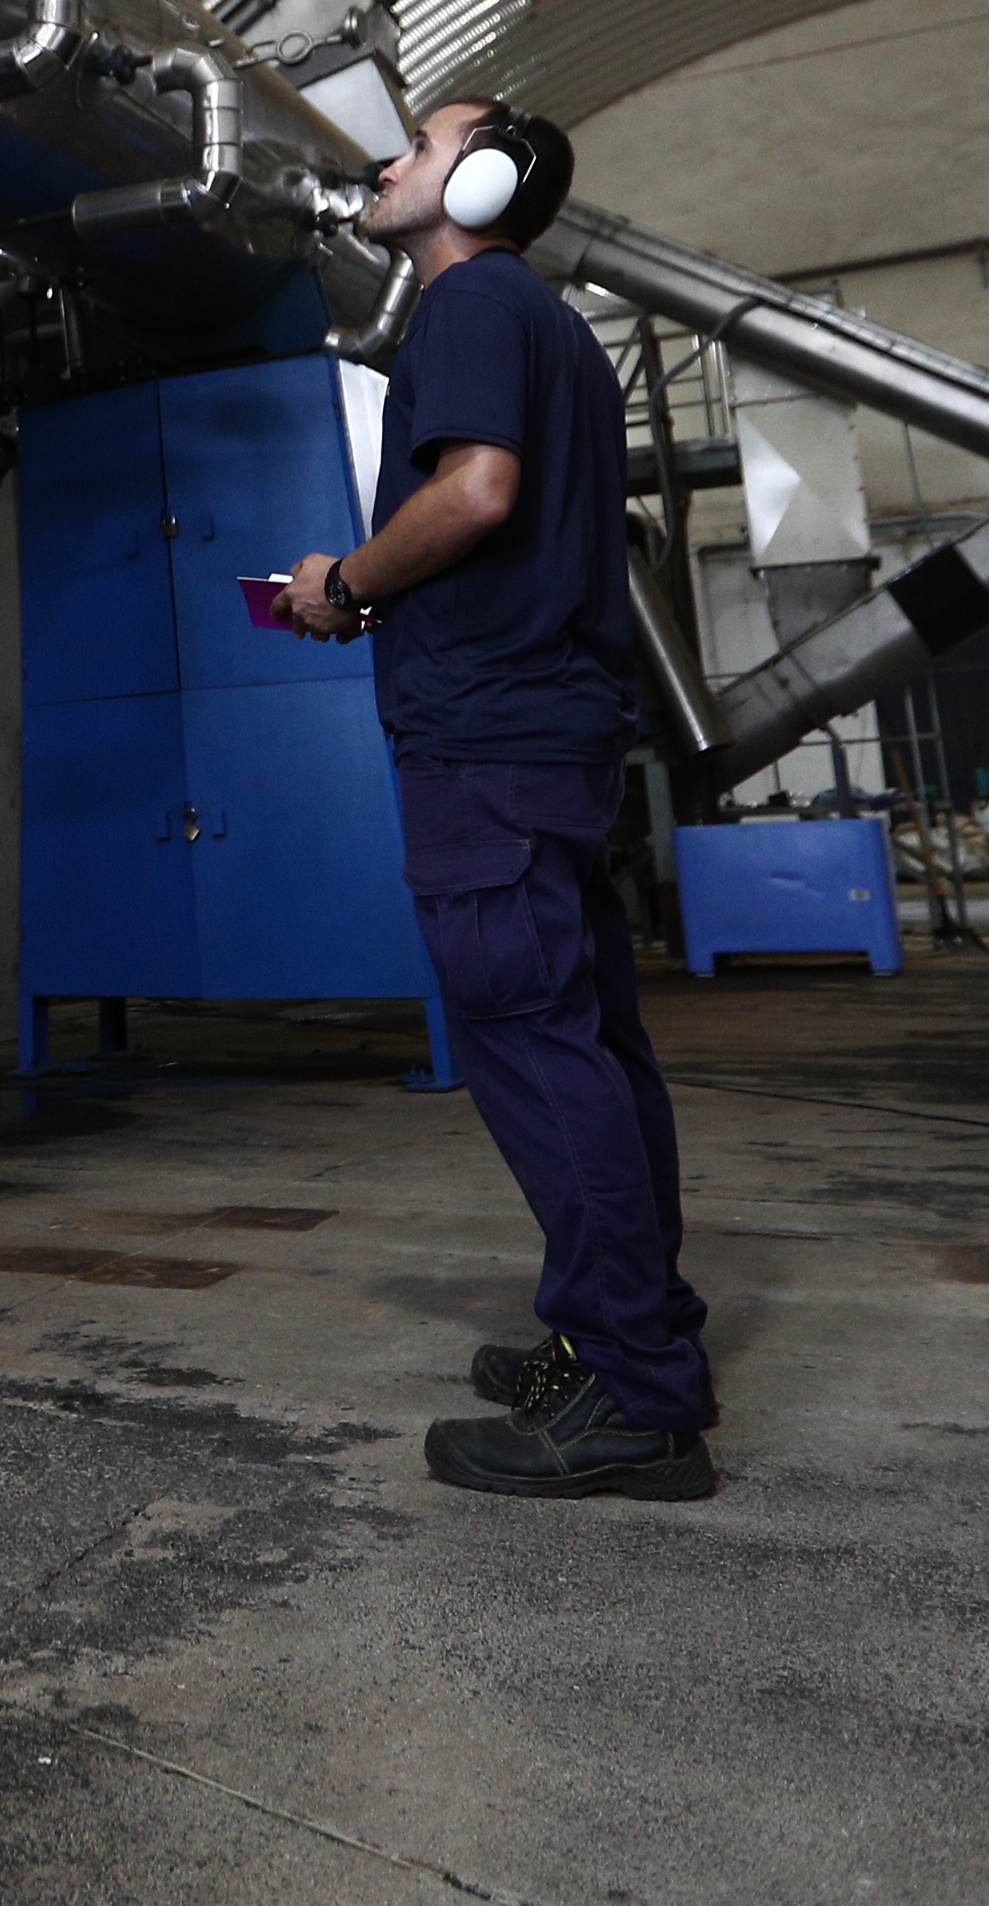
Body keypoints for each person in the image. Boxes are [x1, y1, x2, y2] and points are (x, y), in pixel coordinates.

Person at [285, 97, 716, 1502]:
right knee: (589, 1041)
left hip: (491, 738)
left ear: (478, 180)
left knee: (535, 1049)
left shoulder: (467, 306)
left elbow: (472, 495)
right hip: (551, 735)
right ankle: (626, 1345)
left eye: (417, 144)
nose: (387, 161)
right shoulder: (553, 327)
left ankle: (636, 1401)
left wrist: (343, 585)